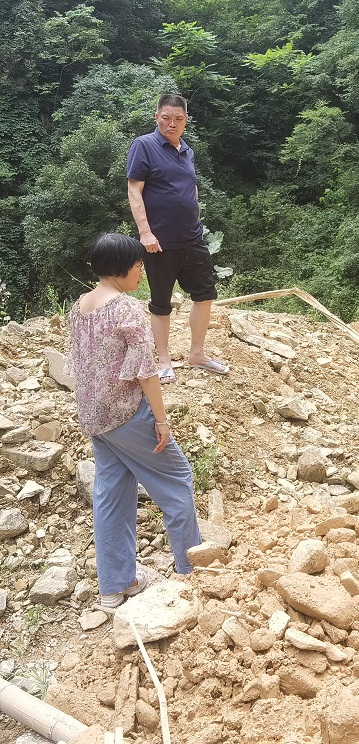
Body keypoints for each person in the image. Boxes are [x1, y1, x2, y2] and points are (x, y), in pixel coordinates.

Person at [66, 233, 202, 608]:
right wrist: (161, 420)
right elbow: (146, 372)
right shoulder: (125, 309)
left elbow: (80, 362)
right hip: (127, 414)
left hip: (94, 416)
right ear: (120, 268)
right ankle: (194, 570)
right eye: (138, 265)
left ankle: (114, 587)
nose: (141, 272)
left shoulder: (80, 305)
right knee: (177, 479)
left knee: (112, 495)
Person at [126, 93, 229, 384]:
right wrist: (145, 232)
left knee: (205, 295)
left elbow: (190, 186)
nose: (172, 123)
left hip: (193, 238)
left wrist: (193, 212)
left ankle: (197, 354)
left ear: (186, 120)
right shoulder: (144, 145)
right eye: (166, 117)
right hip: (160, 242)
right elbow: (134, 190)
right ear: (156, 117)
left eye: (178, 118)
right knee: (160, 303)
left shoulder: (187, 151)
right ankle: (163, 361)